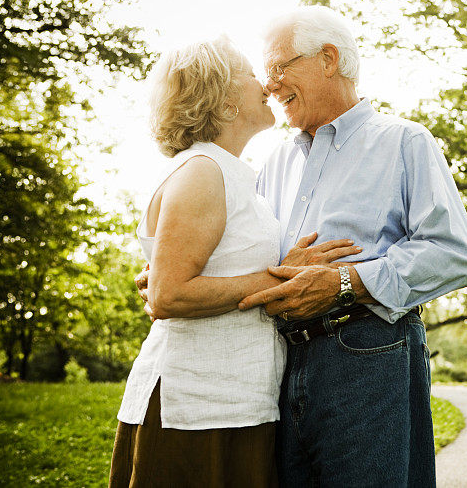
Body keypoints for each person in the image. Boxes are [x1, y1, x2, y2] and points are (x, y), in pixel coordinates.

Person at [236, 6, 467, 487]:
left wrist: (345, 282)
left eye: (278, 67)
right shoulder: (272, 163)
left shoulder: (405, 141)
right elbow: (256, 259)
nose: (268, 84)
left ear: (328, 59)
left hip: (368, 353)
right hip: (279, 364)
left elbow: (453, 254)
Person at [109, 36, 360, 487]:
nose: (265, 83)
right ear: (224, 103)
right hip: (194, 408)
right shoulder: (203, 171)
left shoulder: (230, 174)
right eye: (250, 74)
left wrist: (283, 268)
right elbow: (168, 295)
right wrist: (281, 277)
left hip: (236, 401)